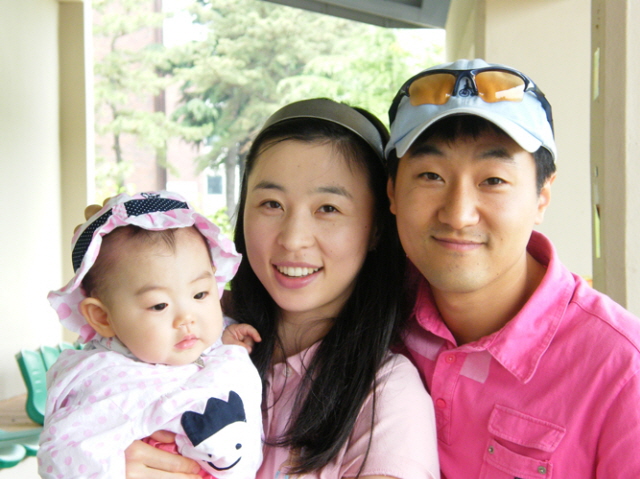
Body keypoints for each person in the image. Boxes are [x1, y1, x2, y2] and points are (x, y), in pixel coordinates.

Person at [121, 99, 440, 479]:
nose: (293, 238)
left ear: (375, 229)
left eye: (328, 208)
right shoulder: (185, 338)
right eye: (271, 204)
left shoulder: (389, 396)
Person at [385, 58, 640, 478]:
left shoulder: (621, 371)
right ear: (393, 192)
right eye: (431, 176)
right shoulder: (372, 315)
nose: (458, 215)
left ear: (542, 197)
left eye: (493, 181)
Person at [40, 191, 263, 479]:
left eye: (200, 294)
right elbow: (64, 457)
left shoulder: (209, 344)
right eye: (159, 305)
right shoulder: (107, 383)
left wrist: (228, 348)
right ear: (103, 317)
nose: (187, 318)